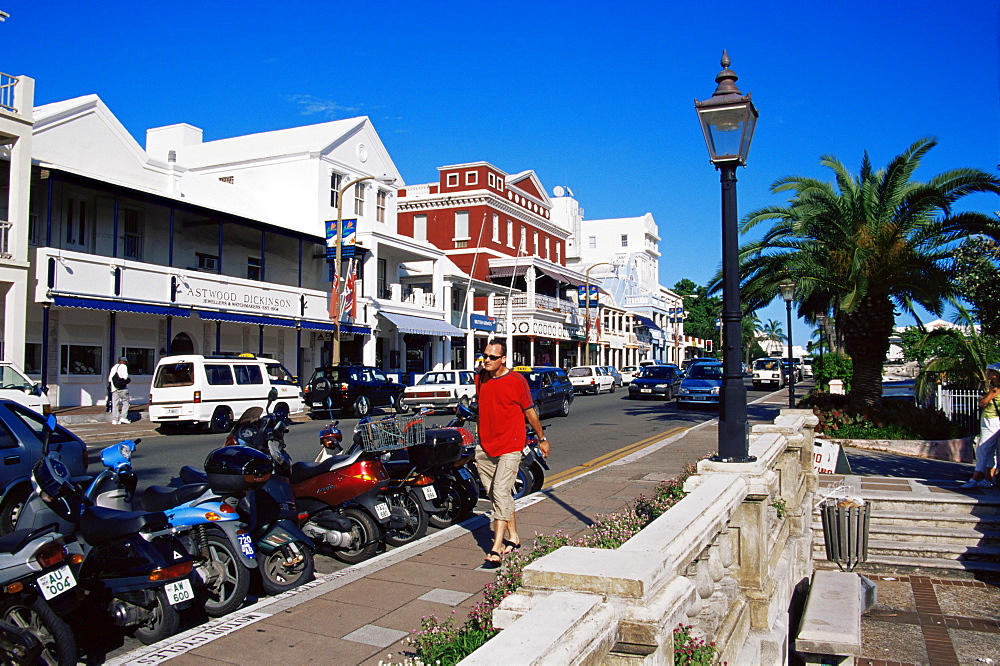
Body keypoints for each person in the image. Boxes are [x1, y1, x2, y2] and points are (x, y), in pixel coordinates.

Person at [475, 340, 549, 569]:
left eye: (492, 357)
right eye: (484, 355)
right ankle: (514, 536)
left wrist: (541, 438)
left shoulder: (517, 381)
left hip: (511, 445)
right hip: (485, 447)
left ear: (503, 359)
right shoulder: (481, 377)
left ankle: (496, 549)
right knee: (499, 496)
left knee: (500, 492)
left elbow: (529, 411)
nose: (486, 360)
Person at [961, 362, 1000, 489]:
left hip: (991, 420)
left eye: (989, 372)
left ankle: (975, 478)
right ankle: (988, 478)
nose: (987, 374)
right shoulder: (994, 387)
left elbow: (983, 402)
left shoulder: (996, 389)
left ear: (995, 375)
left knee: (982, 449)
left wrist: (983, 399)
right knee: (991, 451)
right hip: (991, 419)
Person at [108, 357, 131, 425]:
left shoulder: (114, 367)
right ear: (124, 361)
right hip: (122, 388)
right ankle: (123, 417)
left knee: (115, 404)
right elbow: (125, 377)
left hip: (114, 388)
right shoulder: (123, 367)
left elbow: (109, 379)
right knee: (126, 402)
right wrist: (128, 380)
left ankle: (115, 419)